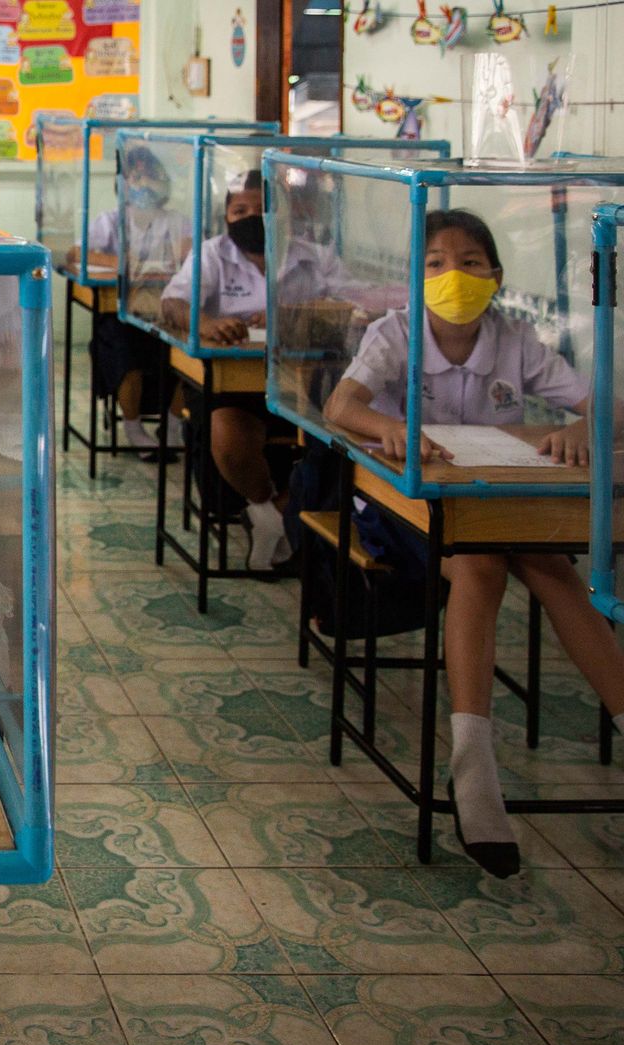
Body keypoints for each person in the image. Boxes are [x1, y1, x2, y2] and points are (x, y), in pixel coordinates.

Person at [323, 208, 624, 878]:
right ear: (415, 276)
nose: (452, 275)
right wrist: (389, 427)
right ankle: (474, 770)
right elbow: (340, 408)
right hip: (407, 509)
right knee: (481, 565)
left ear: (496, 276)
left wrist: (588, 427)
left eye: (470, 263)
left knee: (552, 566)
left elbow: (603, 405)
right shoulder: (395, 333)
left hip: (492, 500)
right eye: (434, 263)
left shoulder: (515, 339)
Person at [159, 169, 365, 570]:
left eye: (263, 209)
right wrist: (207, 323)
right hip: (236, 382)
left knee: (342, 444)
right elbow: (172, 304)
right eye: (241, 210)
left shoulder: (314, 255)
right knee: (228, 435)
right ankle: (266, 509)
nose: (252, 217)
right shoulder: (212, 253)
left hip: (309, 381)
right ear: (226, 217)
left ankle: (278, 513)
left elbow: (356, 306)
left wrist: (289, 318)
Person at [77, 145, 190, 450]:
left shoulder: (175, 221)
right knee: (127, 354)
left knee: (191, 353)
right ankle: (133, 427)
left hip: (164, 311)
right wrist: (122, 263)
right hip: (120, 313)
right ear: (123, 183)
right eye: (135, 177)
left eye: (150, 176)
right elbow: (79, 252)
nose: (142, 184)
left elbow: (191, 255)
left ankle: (174, 424)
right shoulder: (111, 220)